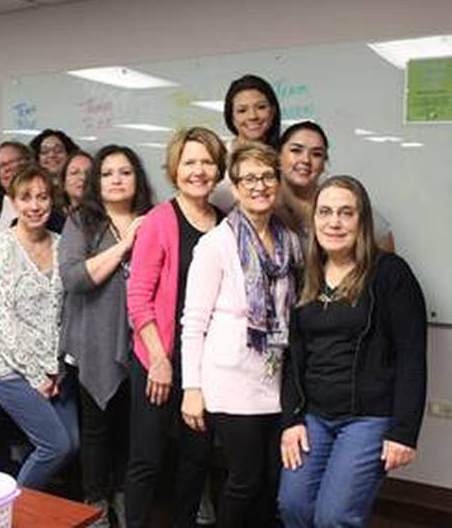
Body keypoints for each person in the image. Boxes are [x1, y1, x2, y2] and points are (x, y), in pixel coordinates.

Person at [278, 176, 426, 527]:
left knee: (335, 518)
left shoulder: (390, 273)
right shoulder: (304, 276)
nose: (334, 222)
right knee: (292, 506)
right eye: (325, 212)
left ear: (362, 221)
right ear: (313, 220)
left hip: (368, 419)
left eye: (346, 213)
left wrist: (403, 432)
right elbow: (294, 356)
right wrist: (292, 420)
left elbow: (411, 356)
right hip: (313, 416)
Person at [181, 142, 302, 528]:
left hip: (275, 378)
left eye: (267, 176)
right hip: (230, 382)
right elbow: (193, 322)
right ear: (234, 188)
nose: (259, 185)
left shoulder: (291, 242)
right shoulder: (216, 243)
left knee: (271, 482)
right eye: (249, 178)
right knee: (245, 480)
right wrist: (192, 388)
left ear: (278, 183)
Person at [125, 127, 227, 527]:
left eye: (206, 161)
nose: (198, 170)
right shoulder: (158, 221)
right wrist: (159, 359)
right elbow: (138, 298)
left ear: (218, 169)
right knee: (147, 459)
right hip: (157, 358)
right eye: (189, 162)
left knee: (197, 458)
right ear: (174, 169)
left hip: (202, 365)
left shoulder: (226, 223)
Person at [59, 144, 153, 525]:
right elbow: (75, 278)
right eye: (108, 173)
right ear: (97, 181)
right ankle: (95, 506)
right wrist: (126, 245)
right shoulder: (83, 221)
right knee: (97, 431)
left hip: (144, 342)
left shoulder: (153, 219)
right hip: (94, 344)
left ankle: (123, 497)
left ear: (138, 179)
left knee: (133, 431)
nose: (116, 180)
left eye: (125, 172)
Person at [0, 165, 78, 489]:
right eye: (26, 198)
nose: (35, 206)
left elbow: (63, 311)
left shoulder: (63, 244)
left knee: (72, 443)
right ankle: (13, 514)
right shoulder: (1, 246)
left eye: (42, 197)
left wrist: (54, 369)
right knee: (55, 446)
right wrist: (36, 376)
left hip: (52, 367)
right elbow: (0, 317)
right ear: (13, 202)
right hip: (8, 366)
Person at [277, 120, 396, 252]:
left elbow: (384, 239)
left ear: (324, 164)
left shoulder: (339, 198)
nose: (305, 160)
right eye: (296, 150)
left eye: (316, 154)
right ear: (278, 155)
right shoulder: (264, 202)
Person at [212, 74, 281, 212]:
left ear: (272, 112)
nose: (252, 116)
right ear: (231, 116)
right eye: (242, 110)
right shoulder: (217, 155)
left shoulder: (285, 156)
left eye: (261, 107)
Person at [0, 141, 33, 230]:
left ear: (27, 164)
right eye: (1, 166)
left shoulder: (42, 200)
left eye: (10, 163)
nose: (6, 170)